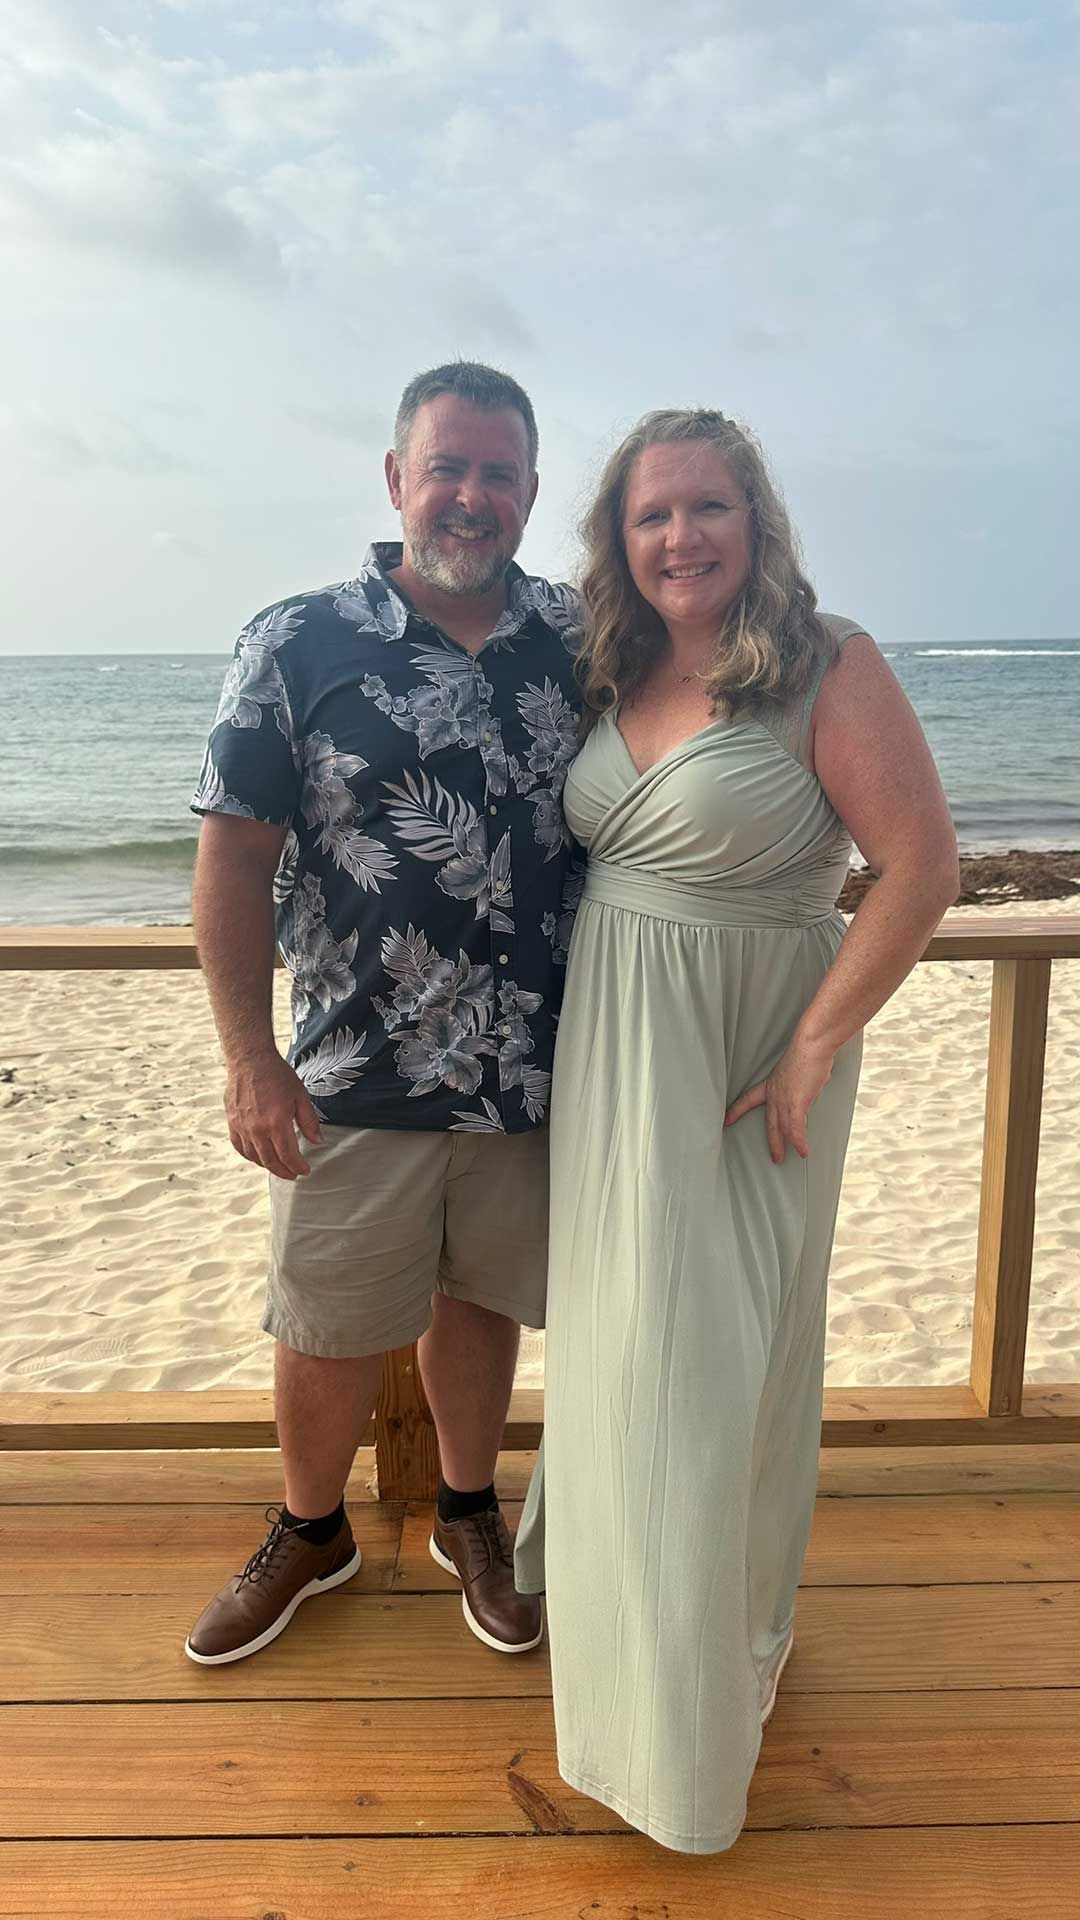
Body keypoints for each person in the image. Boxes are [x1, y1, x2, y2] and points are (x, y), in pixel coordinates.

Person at [512, 408, 959, 1852]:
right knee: (625, 1348)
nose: (679, 537)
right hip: (612, 1057)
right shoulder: (616, 666)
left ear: (753, 520)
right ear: (618, 540)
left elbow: (920, 868)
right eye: (651, 516)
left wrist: (818, 1045)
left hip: (748, 1070)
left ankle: (697, 1716)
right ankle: (625, 1656)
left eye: (707, 508)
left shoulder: (828, 663)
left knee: (715, 1373)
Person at [185, 361, 581, 1666]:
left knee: (484, 1302)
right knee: (326, 1314)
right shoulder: (299, 641)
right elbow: (233, 857)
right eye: (449, 468)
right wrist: (250, 1059)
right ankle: (312, 1530)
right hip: (356, 1060)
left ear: (530, 492)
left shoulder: (582, 639)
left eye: (500, 473)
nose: (472, 496)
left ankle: (468, 1513)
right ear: (397, 479)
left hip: (535, 1068)